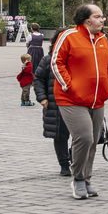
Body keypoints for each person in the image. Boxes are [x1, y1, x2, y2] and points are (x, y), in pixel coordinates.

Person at [52, 3, 108, 200]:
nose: (102, 20)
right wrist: (69, 86)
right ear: (87, 20)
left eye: (102, 16)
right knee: (84, 137)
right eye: (98, 16)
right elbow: (56, 62)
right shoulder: (69, 36)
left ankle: (86, 178)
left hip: (98, 99)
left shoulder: (103, 39)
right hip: (71, 99)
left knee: (94, 141)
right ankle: (78, 179)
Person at [33, 28, 73, 177]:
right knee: (60, 135)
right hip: (55, 103)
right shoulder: (48, 59)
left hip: (76, 102)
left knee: (81, 135)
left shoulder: (77, 59)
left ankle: (74, 157)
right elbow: (38, 79)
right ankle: (64, 164)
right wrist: (42, 98)